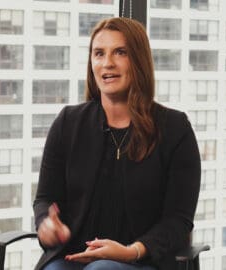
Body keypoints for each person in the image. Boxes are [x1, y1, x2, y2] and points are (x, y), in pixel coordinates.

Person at [33, 17, 201, 270]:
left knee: (103, 269)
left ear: (138, 61)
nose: (107, 63)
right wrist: (47, 224)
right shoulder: (68, 123)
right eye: (99, 53)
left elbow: (178, 220)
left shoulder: (175, 129)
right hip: (74, 256)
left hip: (143, 260)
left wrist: (131, 251)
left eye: (120, 52)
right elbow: (45, 198)